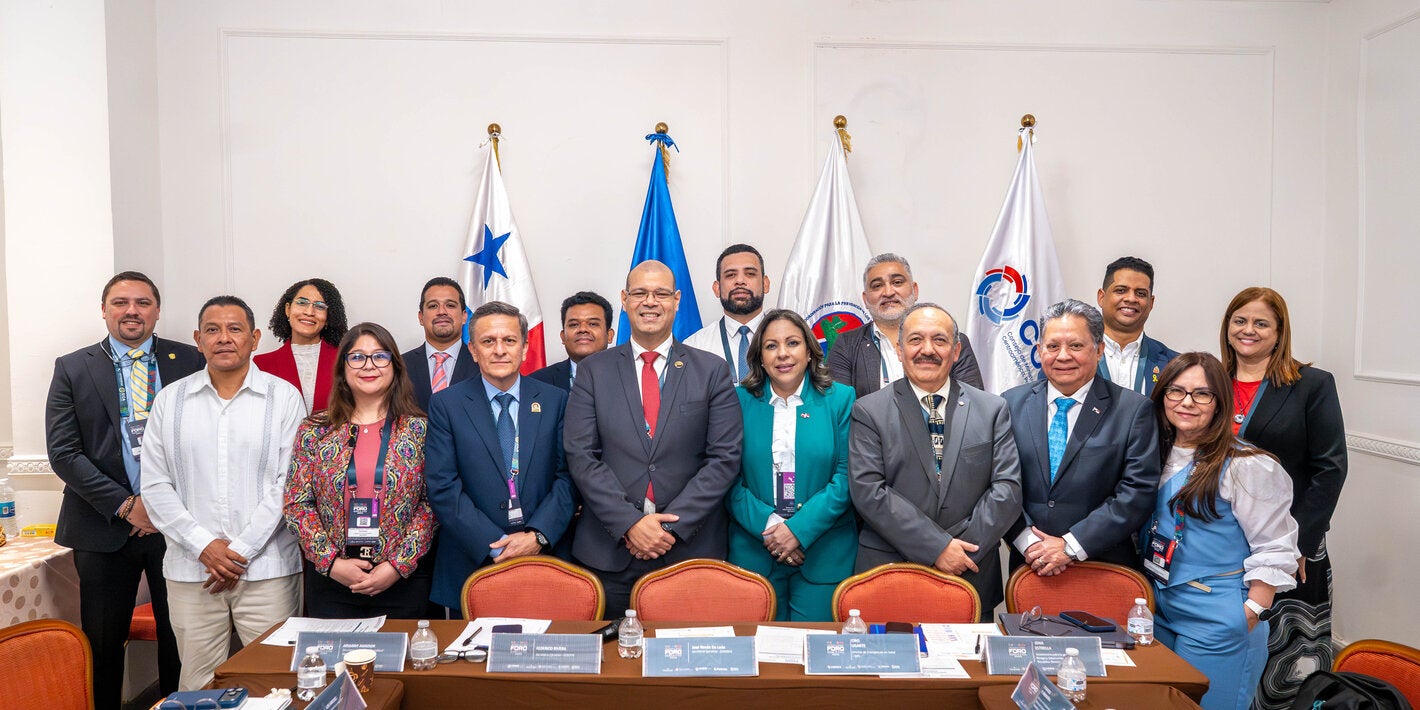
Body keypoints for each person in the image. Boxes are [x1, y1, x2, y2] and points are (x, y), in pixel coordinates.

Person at [44, 271, 202, 709]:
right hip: (101, 528)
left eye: (142, 302)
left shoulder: (189, 360)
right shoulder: (73, 367)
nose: (132, 311)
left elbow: (207, 441)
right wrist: (127, 505)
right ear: (104, 309)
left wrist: (164, 508)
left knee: (181, 638)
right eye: (120, 302)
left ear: (156, 309)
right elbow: (63, 452)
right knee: (103, 643)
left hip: (177, 528)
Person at [141, 296, 305, 690]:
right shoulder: (170, 401)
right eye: (212, 330)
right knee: (198, 682)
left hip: (268, 570)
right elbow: (155, 484)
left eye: (235, 329)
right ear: (198, 340)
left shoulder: (283, 398)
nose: (224, 338)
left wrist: (240, 551)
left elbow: (290, 484)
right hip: (191, 570)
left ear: (254, 338)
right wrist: (205, 547)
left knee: (278, 682)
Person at [564, 260, 742, 617]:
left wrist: (667, 527)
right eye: (640, 293)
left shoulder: (712, 371)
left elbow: (724, 458)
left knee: (687, 667)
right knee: (613, 666)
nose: (650, 302)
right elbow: (582, 454)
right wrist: (630, 524)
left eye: (661, 293)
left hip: (689, 548)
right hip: (609, 551)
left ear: (677, 300)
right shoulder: (593, 371)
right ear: (625, 300)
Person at [1143, 352, 1299, 710]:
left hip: (1217, 617)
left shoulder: (1248, 465)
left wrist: (1249, 612)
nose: (1186, 402)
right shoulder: (1152, 453)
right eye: (1176, 391)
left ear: (1219, 402)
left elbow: (1275, 546)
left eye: (1202, 394)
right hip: (1159, 608)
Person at [848, 303, 1021, 618]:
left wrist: (961, 550)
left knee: (969, 667)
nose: (927, 350)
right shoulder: (868, 411)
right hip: (891, 570)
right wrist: (938, 547)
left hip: (971, 569)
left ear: (956, 351)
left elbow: (1007, 489)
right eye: (915, 340)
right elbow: (869, 491)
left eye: (939, 341)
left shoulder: (993, 409)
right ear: (900, 350)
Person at [1219, 287, 1346, 709]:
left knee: (1289, 654)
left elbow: (1330, 468)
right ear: (1228, 326)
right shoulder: (1211, 381)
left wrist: (1302, 544)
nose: (1248, 330)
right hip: (1222, 545)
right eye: (1240, 320)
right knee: (1231, 643)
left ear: (1279, 331)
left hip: (1290, 544)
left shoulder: (1311, 384)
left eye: (1261, 323)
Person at [425, 301, 576, 613]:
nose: (499, 350)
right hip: (472, 561)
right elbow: (442, 487)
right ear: (473, 350)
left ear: (524, 347)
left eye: (509, 340)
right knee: (471, 662)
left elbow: (569, 477)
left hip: (546, 557)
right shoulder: (446, 405)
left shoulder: (556, 400)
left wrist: (537, 536)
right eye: (488, 341)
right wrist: (494, 544)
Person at [283, 322, 437, 619]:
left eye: (380, 356)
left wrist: (397, 566)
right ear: (343, 368)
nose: (369, 365)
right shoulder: (314, 430)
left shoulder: (419, 429)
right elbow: (296, 504)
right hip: (333, 582)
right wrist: (331, 563)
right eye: (357, 357)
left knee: (400, 664)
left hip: (403, 581)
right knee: (336, 667)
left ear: (395, 366)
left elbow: (431, 505)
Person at [1002, 299, 1160, 575]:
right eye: (1052, 346)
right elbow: (999, 483)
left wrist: (1070, 545)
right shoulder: (1010, 404)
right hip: (1030, 565)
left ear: (1099, 350)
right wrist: (1028, 542)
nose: (1063, 356)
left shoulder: (1133, 410)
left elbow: (1136, 493)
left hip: (1102, 565)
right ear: (1039, 351)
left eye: (1076, 345)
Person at [727, 310, 857, 621]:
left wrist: (797, 530)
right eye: (771, 346)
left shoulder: (840, 399)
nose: (782, 353)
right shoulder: (737, 400)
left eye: (793, 343)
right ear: (759, 357)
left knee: (814, 658)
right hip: (754, 552)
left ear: (811, 351)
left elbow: (847, 476)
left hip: (824, 553)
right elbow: (726, 475)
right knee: (756, 659)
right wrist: (774, 528)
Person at [827, 253, 983, 396]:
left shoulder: (951, 340)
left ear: (915, 291)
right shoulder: (847, 345)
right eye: (877, 286)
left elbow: (972, 404)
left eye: (897, 282)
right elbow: (839, 409)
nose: (888, 292)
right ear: (866, 299)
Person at [254, 278, 348, 414]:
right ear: (288, 309)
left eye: (320, 306)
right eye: (302, 303)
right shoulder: (262, 365)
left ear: (328, 317)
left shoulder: (345, 360)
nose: (309, 312)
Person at [683, 244, 770, 381]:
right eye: (730, 275)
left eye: (750, 274)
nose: (740, 281)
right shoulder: (694, 347)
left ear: (766, 284)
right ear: (717, 288)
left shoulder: (791, 343)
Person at [1095, 257, 1180, 396]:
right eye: (1121, 290)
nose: (1131, 299)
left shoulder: (1174, 365)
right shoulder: (1070, 358)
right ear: (1101, 297)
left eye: (1140, 293)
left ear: (1151, 303)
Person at [402, 277, 477, 411]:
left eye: (450, 305)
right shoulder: (399, 366)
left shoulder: (482, 364)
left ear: (464, 316)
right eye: (433, 306)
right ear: (421, 317)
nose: (442, 311)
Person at [529, 291, 615, 392]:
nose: (583, 329)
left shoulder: (630, 377)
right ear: (563, 337)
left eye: (592, 324)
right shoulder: (537, 382)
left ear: (609, 335)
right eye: (574, 324)